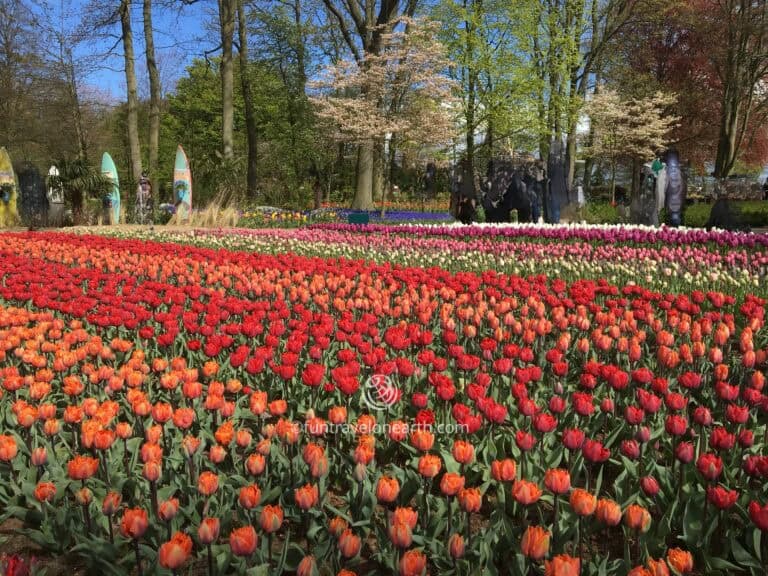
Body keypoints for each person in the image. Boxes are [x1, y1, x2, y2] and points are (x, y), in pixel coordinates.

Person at [547, 140, 568, 223]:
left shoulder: (552, 161)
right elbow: (566, 173)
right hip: (561, 188)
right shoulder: (563, 161)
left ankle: (555, 224)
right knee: (557, 208)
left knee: (555, 208)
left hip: (555, 188)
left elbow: (550, 174)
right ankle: (556, 223)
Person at [664, 149, 686, 227]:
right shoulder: (679, 172)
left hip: (674, 204)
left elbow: (670, 187)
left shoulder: (673, 172)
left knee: (674, 223)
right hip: (676, 204)